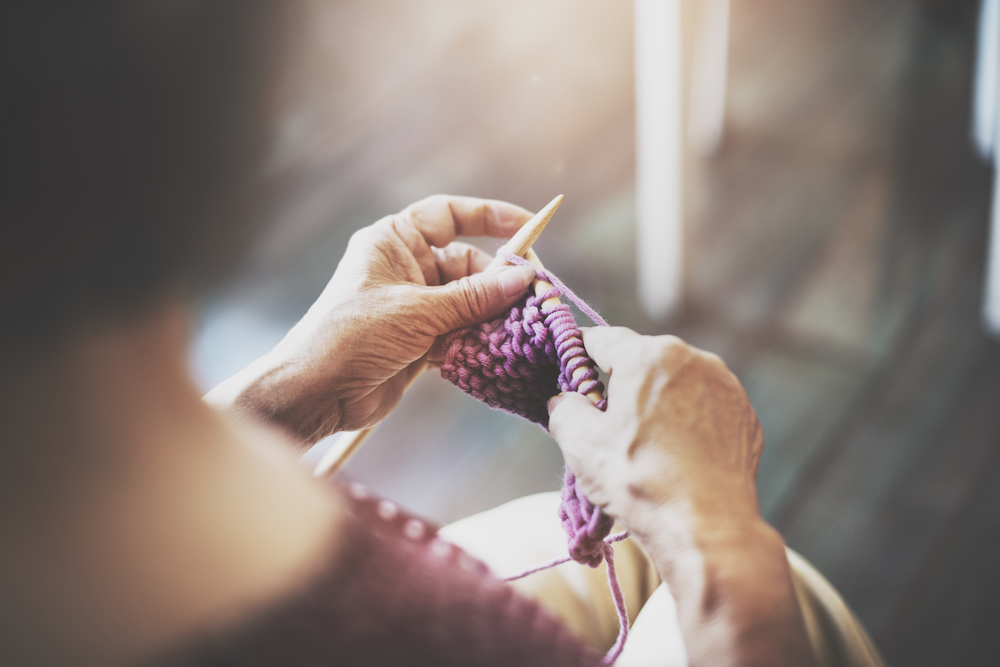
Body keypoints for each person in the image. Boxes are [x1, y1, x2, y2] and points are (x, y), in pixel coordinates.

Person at [0, 2, 885, 666]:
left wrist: (284, 397)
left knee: (583, 547)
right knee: (787, 597)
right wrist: (720, 544)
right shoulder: (437, 636)